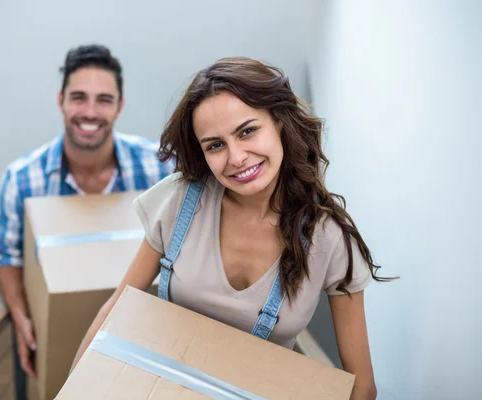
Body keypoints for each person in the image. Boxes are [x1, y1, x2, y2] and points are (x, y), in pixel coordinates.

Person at [71, 56, 390, 399]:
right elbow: (114, 311)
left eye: (247, 131)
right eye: (216, 145)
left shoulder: (329, 237)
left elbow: (361, 385)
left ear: (280, 123)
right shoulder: (178, 201)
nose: (236, 157)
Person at [0, 44, 173, 379]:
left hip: (146, 328)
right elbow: (6, 256)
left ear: (119, 106)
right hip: (57, 330)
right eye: (78, 97)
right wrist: (21, 317)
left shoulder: (161, 168)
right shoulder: (22, 178)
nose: (90, 112)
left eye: (104, 100)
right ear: (61, 101)